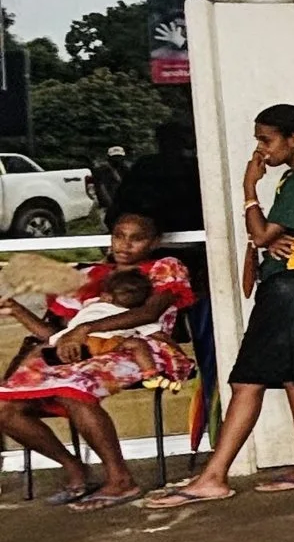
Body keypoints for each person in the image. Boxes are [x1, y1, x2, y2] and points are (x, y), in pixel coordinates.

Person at [149, 105, 294, 506]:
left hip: (293, 285)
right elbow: (269, 238)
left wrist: (249, 189)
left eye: (266, 140)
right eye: (259, 140)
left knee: (247, 380)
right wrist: (268, 240)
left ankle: (214, 477)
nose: (261, 150)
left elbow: (260, 233)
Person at [0, 208, 194, 507]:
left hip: (138, 346)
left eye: (136, 239)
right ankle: (74, 468)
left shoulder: (164, 267)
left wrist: (86, 329)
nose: (125, 245)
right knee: (5, 406)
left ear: (154, 242)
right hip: (82, 349)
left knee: (76, 388)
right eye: (119, 236)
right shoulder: (88, 275)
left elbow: (149, 313)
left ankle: (121, 480)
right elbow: (59, 332)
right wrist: (17, 309)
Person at [112, 118, 204, 241]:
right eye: (167, 140)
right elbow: (124, 201)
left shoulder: (195, 167)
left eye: (175, 140)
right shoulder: (145, 166)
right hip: (149, 238)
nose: (171, 145)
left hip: (195, 236)